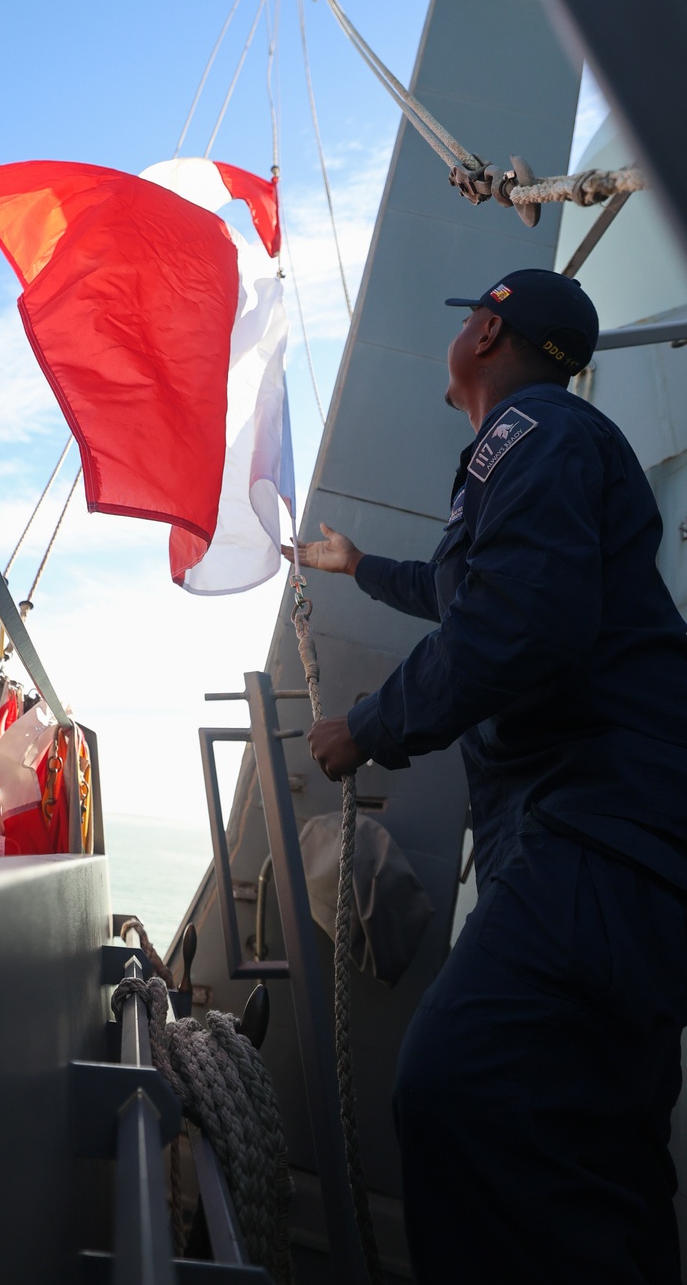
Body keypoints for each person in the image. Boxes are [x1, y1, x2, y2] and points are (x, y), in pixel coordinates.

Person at [290, 268, 687, 1284]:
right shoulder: (555, 442)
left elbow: (519, 623)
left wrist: (368, 729)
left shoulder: (534, 433)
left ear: (485, 330)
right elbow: (468, 589)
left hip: (593, 828)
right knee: (593, 1145)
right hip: (616, 839)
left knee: (456, 1088)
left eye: (467, 319)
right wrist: (359, 564)